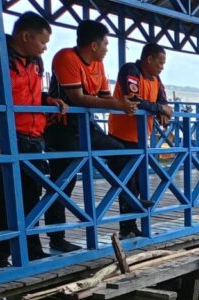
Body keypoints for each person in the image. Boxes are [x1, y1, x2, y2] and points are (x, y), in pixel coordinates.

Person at [0, 12, 67, 267]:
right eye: (43, 42)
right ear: (26, 36)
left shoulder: (34, 61)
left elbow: (27, 94)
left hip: (32, 137)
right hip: (3, 136)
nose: (45, 48)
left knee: (30, 195)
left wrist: (48, 99)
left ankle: (31, 249)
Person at [43, 19, 138, 252]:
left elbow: (105, 97)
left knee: (123, 154)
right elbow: (78, 98)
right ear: (94, 45)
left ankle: (129, 202)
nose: (107, 49)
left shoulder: (98, 65)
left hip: (86, 125)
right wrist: (118, 105)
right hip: (62, 127)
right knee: (62, 182)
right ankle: (56, 238)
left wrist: (118, 103)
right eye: (105, 44)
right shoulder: (66, 58)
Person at [108, 42, 172, 238]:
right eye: (160, 62)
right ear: (149, 59)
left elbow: (163, 100)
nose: (162, 67)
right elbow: (133, 98)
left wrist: (162, 109)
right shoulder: (130, 70)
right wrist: (159, 109)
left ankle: (130, 226)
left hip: (141, 138)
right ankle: (124, 228)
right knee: (127, 183)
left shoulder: (156, 79)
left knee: (135, 183)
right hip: (121, 136)